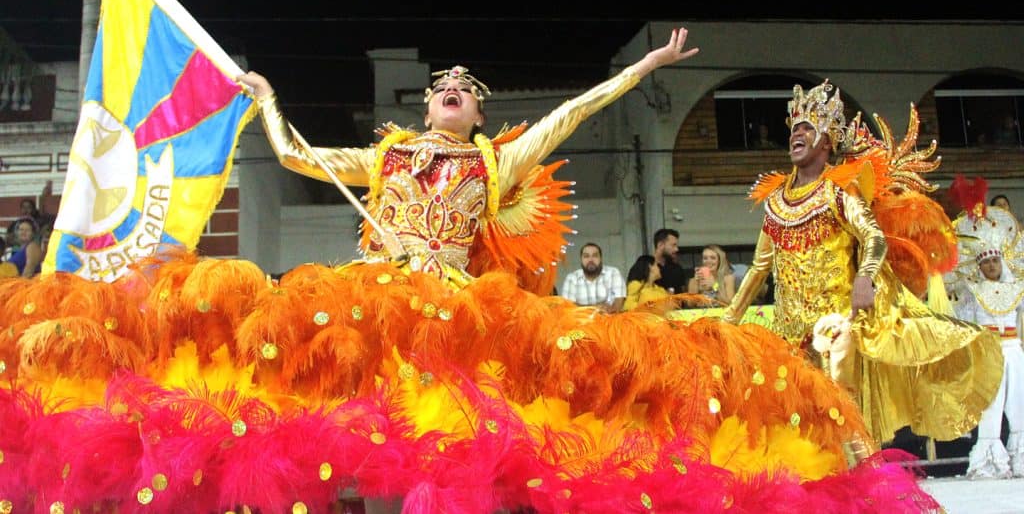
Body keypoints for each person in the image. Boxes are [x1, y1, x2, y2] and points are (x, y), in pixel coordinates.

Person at [0, 36, 946, 512]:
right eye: (442, 87)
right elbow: (295, 159)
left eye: (467, 90)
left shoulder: (494, 161)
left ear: (477, 111)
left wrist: (645, 68)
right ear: (425, 103)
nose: (453, 92)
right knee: (339, 404)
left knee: (455, 427)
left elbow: (572, 113)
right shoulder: (392, 152)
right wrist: (266, 100)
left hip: (457, 306)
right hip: (373, 295)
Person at [724, 80, 1003, 446]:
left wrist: (865, 278)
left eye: (808, 128)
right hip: (789, 335)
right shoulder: (776, 203)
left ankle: (866, 494)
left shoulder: (838, 192)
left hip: (836, 326)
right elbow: (760, 267)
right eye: (794, 129)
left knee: (839, 413)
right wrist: (728, 319)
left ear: (827, 142)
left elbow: (873, 237)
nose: (798, 134)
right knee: (794, 422)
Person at [945, 178, 1024, 479]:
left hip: (1014, 351)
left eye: (994, 262)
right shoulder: (971, 291)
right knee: (989, 408)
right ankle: (988, 462)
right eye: (985, 263)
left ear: (1002, 262)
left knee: (1019, 406)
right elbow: (956, 316)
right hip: (987, 353)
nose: (990, 267)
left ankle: (1019, 459)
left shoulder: (1017, 287)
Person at [560, 242, 626, 311]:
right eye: (586, 256)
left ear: (601, 258)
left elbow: (617, 306)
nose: (590, 260)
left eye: (595, 255)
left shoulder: (613, 273)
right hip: (581, 321)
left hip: (610, 320)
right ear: (581, 260)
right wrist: (596, 308)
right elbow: (568, 308)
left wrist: (582, 308)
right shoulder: (572, 278)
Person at [652, 227, 686, 293]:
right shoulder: (644, 269)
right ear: (660, 245)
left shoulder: (677, 269)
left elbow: (683, 296)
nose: (677, 249)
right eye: (673, 245)